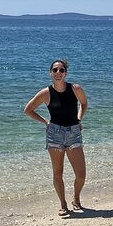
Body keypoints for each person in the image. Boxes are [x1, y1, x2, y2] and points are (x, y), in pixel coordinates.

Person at [24, 59, 88, 217]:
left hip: (74, 133)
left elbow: (84, 104)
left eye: (61, 70)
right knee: (58, 173)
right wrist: (45, 122)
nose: (58, 73)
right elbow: (28, 109)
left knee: (81, 174)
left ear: (65, 73)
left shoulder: (75, 88)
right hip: (55, 134)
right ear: (50, 73)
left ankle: (76, 199)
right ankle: (63, 205)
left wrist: (79, 119)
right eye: (55, 70)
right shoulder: (46, 93)